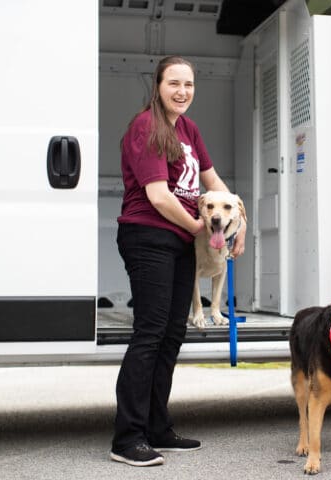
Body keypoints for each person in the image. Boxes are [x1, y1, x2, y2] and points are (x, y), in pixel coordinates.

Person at [110, 55, 246, 467]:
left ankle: (157, 428)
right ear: (158, 85)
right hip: (148, 235)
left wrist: (235, 223)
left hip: (181, 239)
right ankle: (127, 437)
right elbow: (158, 196)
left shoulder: (188, 129)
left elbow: (213, 182)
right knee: (149, 335)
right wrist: (199, 227)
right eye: (174, 83)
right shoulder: (146, 126)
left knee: (172, 336)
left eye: (188, 84)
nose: (182, 91)